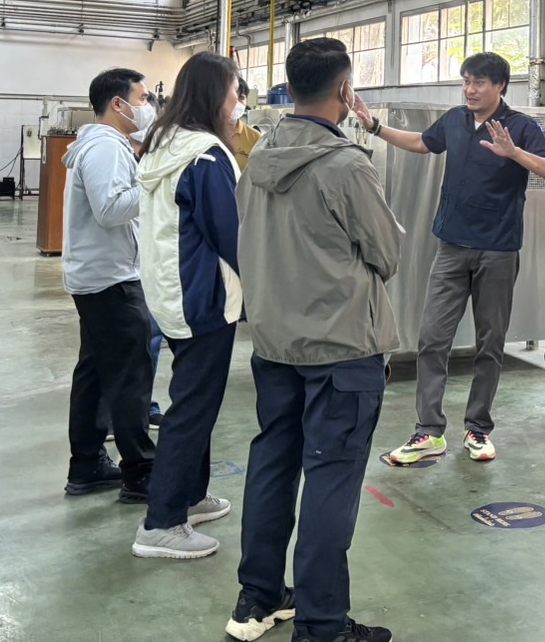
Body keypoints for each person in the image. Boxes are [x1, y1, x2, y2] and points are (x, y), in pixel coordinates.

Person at [227, 38, 400, 642]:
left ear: (290, 88)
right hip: (341, 349)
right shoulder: (346, 165)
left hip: (274, 342)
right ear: (345, 91)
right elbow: (387, 253)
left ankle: (258, 597)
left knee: (273, 464)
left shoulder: (259, 156)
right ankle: (322, 625)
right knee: (331, 477)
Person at [358, 52, 545, 467]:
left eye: (479, 83)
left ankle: (478, 428)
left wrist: (515, 154)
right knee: (432, 338)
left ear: (500, 86)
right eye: (466, 81)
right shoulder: (455, 120)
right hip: (451, 247)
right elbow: (422, 143)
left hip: (498, 249)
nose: (470, 90)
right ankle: (428, 431)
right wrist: (375, 127)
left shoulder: (521, 127)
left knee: (490, 343)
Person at [131, 52, 244, 560]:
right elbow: (231, 235)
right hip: (204, 297)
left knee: (194, 399)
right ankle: (162, 523)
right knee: (193, 409)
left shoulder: (164, 143)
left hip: (171, 290)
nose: (239, 102)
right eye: (235, 92)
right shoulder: (206, 157)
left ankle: (191, 496)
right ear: (215, 95)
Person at [62, 68, 157, 502]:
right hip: (111, 279)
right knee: (131, 376)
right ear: (118, 104)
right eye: (143, 98)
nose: (148, 106)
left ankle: (86, 465)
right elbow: (111, 209)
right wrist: (157, 184)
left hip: (98, 275)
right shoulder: (105, 146)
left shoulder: (105, 144)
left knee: (97, 373)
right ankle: (140, 471)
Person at [232, 76, 263, 173]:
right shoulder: (211, 134)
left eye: (241, 98)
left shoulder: (255, 137)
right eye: (233, 97)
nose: (237, 103)